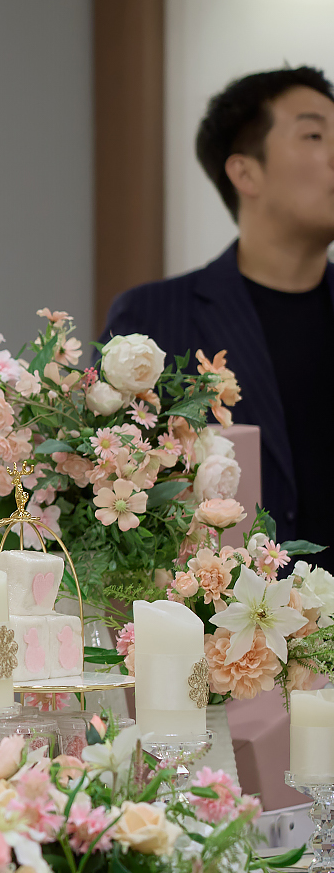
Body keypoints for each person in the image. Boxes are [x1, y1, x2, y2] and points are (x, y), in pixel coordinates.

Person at [101, 66, 334, 566]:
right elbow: (110, 500)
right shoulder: (152, 319)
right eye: (315, 135)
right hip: (224, 610)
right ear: (245, 173)